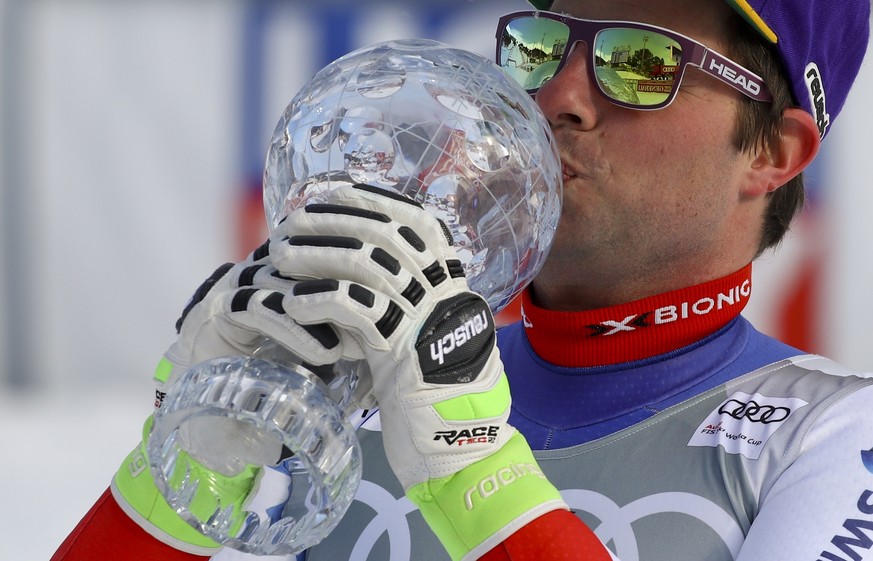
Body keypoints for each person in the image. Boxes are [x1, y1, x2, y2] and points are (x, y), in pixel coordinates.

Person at [51, 0, 873, 560]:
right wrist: (182, 467)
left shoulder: (832, 437)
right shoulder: (355, 379)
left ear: (773, 152)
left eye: (641, 62)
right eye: (545, 44)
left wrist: (475, 473)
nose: (559, 94)